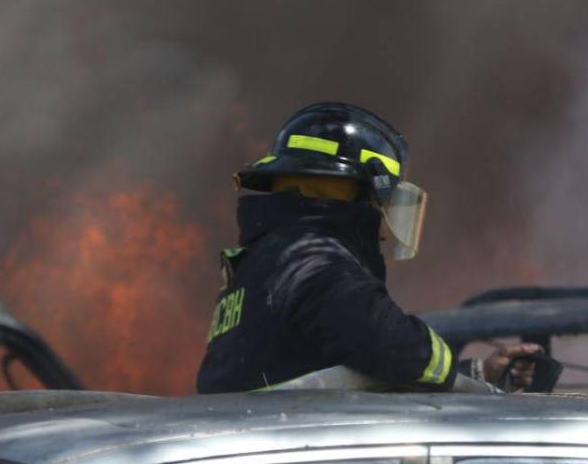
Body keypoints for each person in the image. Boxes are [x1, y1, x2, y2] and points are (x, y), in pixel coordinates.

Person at [196, 102, 542, 394]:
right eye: (380, 202)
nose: (380, 224)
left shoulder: (265, 262)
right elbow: (399, 349)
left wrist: (477, 373)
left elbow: (328, 374)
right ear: (353, 193)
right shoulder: (313, 264)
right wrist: (475, 388)